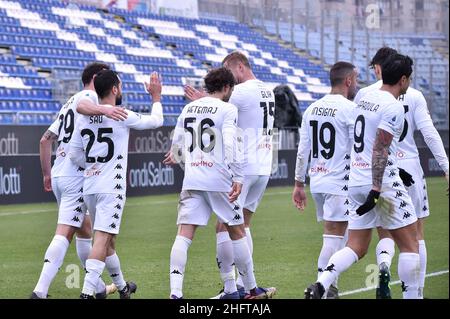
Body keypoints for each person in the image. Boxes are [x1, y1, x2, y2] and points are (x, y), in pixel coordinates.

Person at [305, 53, 421, 299]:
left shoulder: (364, 97)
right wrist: (377, 189)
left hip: (355, 181)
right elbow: (379, 147)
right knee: (410, 245)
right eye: (408, 79)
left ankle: (321, 284)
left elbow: (368, 143)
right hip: (380, 184)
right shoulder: (393, 106)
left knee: (356, 246)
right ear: (402, 80)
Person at [164, 67, 270, 299]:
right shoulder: (227, 109)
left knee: (184, 235)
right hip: (219, 180)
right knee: (237, 231)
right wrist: (238, 177)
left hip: (192, 179)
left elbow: (177, 144)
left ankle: (175, 293)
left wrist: (182, 159)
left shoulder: (188, 108)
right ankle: (251, 289)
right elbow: (230, 143)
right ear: (226, 87)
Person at [355, 47, 449, 299]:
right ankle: (416, 292)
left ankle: (383, 268)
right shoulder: (414, 95)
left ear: (380, 68)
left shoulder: (365, 94)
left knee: (385, 232)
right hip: (409, 168)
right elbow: (429, 133)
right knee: (416, 236)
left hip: (379, 171)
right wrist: (446, 167)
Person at [32, 62, 127, 299]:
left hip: (59, 173)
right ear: (95, 78)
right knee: (66, 231)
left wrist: (46, 174)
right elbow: (87, 116)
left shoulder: (68, 103)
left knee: (85, 230)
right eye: (104, 75)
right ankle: (40, 291)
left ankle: (98, 289)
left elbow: (45, 140)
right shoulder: (89, 98)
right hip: (76, 174)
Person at [69, 70, 164, 299]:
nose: (121, 90)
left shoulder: (83, 118)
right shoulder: (122, 115)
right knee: (102, 239)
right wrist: (156, 98)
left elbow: (74, 155)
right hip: (112, 186)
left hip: (91, 185)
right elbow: (157, 121)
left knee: (108, 241)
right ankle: (87, 292)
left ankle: (122, 289)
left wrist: (93, 165)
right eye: (120, 86)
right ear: (114, 89)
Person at [293, 62, 358, 299]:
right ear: (348, 81)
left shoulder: (312, 109)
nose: (357, 83)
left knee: (338, 236)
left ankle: (330, 286)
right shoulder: (350, 109)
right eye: (356, 79)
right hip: (340, 182)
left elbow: (303, 150)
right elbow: (357, 149)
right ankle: (323, 288)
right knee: (335, 238)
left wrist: (299, 183)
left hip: (318, 181)